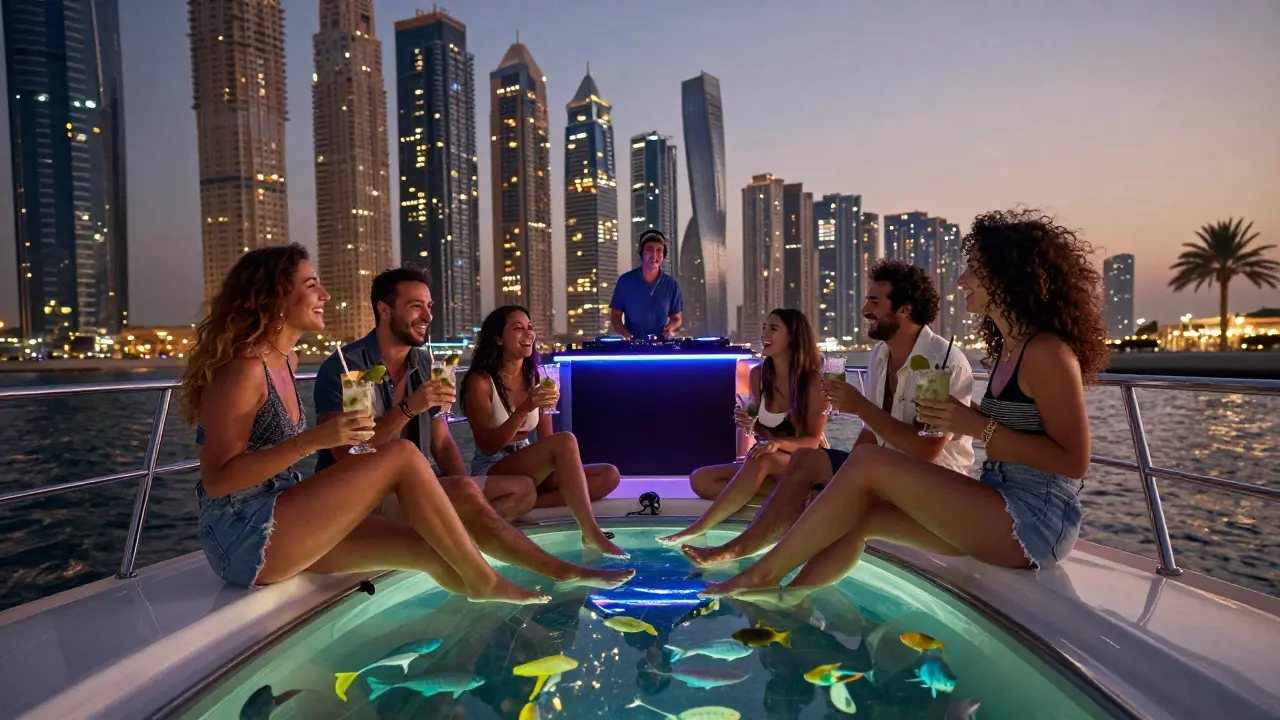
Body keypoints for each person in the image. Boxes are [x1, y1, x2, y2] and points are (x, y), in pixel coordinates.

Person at [703, 208, 1107, 598]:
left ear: (1006, 275)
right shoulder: (1008, 351)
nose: (962, 278)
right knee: (864, 518)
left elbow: (1074, 462)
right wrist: (969, 423)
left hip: (1036, 522)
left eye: (974, 268)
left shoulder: (1046, 353)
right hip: (995, 494)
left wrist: (975, 425)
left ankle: (761, 574)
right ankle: (789, 598)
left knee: (866, 463)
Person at [183, 244, 546, 604]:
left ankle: (515, 603)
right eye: (311, 286)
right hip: (240, 532)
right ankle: (488, 583)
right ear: (273, 296)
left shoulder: (287, 359)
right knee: (403, 453)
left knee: (430, 550)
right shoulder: (246, 368)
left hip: (283, 505)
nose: (325, 295)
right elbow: (217, 481)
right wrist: (312, 441)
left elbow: (439, 440)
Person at [313, 266, 634, 589]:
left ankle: (469, 542)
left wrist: (466, 493)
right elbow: (348, 456)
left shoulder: (426, 365)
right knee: (475, 490)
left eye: (429, 307)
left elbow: (442, 441)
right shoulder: (349, 368)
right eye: (415, 306)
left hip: (416, 488)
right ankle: (559, 571)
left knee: (520, 491)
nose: (426, 315)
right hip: (365, 496)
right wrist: (410, 408)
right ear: (384, 310)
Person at [682, 260, 975, 567]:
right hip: (880, 470)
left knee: (800, 470)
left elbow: (926, 450)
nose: (864, 311)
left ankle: (748, 554)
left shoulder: (941, 363)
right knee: (807, 462)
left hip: (928, 485)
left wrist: (859, 406)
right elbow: (869, 434)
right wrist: (845, 476)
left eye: (874, 302)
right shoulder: (880, 356)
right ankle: (749, 546)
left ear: (904, 309)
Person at [461, 305, 628, 558]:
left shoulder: (535, 377)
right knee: (567, 440)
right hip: (494, 466)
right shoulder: (481, 381)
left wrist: (547, 410)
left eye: (530, 327)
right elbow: (487, 446)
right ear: (497, 337)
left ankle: (524, 503)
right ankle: (590, 531)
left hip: (528, 466)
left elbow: (547, 444)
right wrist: (524, 409)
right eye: (517, 328)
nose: (528, 333)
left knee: (608, 476)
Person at [658, 308, 827, 546]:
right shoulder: (759, 375)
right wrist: (753, 424)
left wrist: (775, 444)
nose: (764, 333)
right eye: (764, 327)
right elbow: (762, 433)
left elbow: (812, 440)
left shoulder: (814, 380)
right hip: (771, 459)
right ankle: (799, 497)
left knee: (762, 459)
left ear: (793, 336)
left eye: (773, 328)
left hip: (805, 461)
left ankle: (700, 526)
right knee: (701, 480)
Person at [609, 229, 683, 340]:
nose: (654, 255)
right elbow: (615, 316)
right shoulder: (625, 281)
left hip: (661, 346)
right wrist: (625, 334)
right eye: (649, 249)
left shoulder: (671, 284)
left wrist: (669, 328)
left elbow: (677, 318)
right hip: (632, 346)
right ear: (641, 252)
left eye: (659, 250)